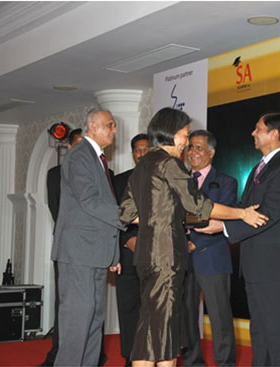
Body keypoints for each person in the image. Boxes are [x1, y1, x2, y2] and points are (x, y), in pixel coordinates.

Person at [119, 107, 268, 367]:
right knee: (164, 330)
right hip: (166, 256)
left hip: (145, 255)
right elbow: (200, 207)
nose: (186, 143)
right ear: (172, 134)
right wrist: (242, 213)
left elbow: (127, 213)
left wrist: (163, 216)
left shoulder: (143, 165)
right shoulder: (169, 163)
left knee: (149, 326)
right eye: (185, 135)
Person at [200, 112, 280, 366]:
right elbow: (247, 209)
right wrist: (222, 219)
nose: (253, 133)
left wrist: (223, 227)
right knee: (260, 330)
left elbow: (266, 214)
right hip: (257, 264)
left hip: (273, 265)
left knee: (278, 331)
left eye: (258, 129)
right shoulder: (261, 166)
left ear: (274, 134)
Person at [51, 109, 123, 366]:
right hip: (78, 254)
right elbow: (90, 202)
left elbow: (100, 207)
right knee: (76, 327)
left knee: (93, 325)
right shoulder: (80, 155)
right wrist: (129, 216)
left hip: (96, 255)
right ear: (93, 126)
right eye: (110, 125)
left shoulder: (98, 159)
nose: (114, 130)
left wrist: (113, 254)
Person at [42, 128, 110, 367]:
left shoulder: (104, 172)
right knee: (72, 313)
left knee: (93, 315)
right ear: (70, 147)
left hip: (98, 253)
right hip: (72, 250)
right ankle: (58, 355)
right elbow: (59, 210)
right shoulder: (57, 173)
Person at [181, 130, 237, 367]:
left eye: (199, 147)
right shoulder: (179, 181)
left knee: (219, 317)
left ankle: (225, 363)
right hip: (182, 258)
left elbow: (224, 220)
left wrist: (195, 242)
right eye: (190, 147)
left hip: (212, 257)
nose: (193, 151)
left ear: (211, 152)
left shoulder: (226, 182)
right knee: (186, 316)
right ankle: (193, 362)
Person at [113, 133, 151, 367]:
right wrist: (128, 238)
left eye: (145, 149)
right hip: (127, 256)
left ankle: (149, 355)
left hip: (156, 255)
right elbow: (113, 216)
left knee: (151, 310)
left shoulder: (164, 179)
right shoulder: (119, 182)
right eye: (137, 150)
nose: (141, 154)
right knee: (128, 309)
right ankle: (130, 357)